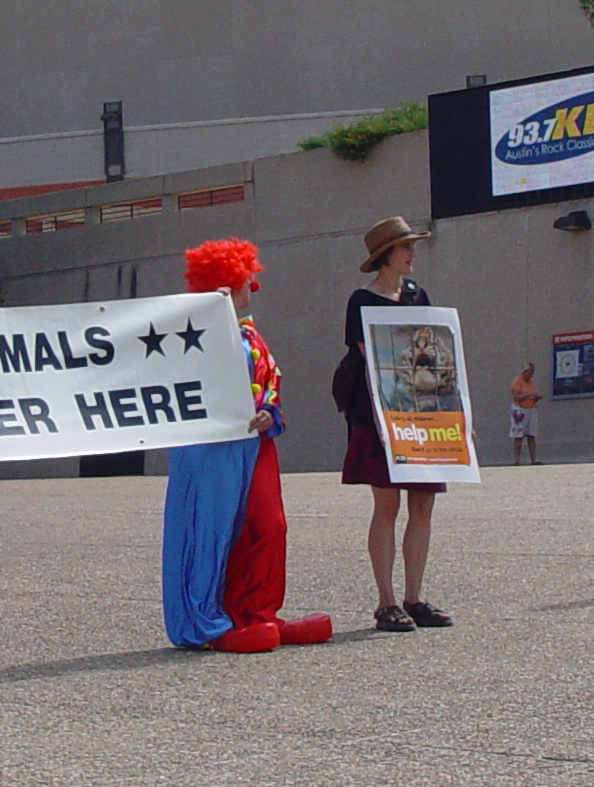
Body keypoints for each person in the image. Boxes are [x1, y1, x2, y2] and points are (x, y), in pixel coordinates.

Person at [160, 238, 333, 651]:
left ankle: (259, 612)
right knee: (218, 527)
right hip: (214, 449)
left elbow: (270, 382)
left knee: (269, 525)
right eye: (244, 280)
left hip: (258, 444)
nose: (251, 287)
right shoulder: (195, 334)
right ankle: (222, 617)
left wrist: (268, 413)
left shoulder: (250, 334)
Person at [343, 215, 451, 633]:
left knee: (423, 505)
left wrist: (455, 416)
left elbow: (438, 352)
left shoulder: (416, 294)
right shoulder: (361, 301)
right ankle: (386, 602)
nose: (413, 255)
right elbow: (373, 359)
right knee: (386, 505)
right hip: (378, 415)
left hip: (423, 414)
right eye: (406, 248)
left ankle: (415, 597)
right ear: (386, 256)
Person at [509, 364, 542, 465]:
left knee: (531, 435)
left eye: (532, 373)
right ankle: (517, 460)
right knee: (518, 436)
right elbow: (516, 397)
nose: (530, 375)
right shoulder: (517, 381)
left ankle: (533, 460)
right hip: (520, 410)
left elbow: (534, 393)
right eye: (529, 373)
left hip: (531, 409)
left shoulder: (532, 383)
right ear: (524, 372)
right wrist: (528, 395)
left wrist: (536, 398)